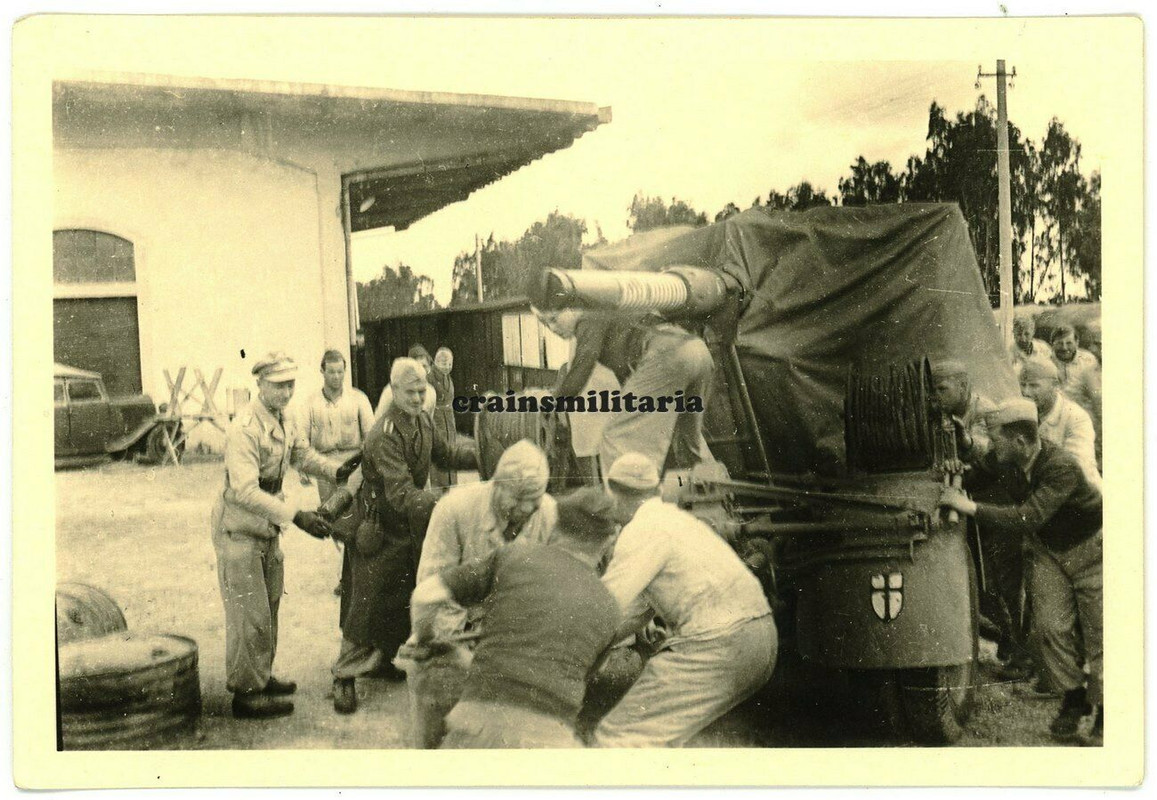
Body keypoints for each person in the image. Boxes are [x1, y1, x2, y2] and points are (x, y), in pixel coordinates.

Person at [940, 398, 1103, 744]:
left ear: (1020, 442)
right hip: (1050, 551)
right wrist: (959, 456)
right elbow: (976, 467)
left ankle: (1107, 712)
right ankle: (1074, 698)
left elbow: (1027, 517)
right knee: (1047, 629)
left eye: (996, 438)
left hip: (1091, 551)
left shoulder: (1061, 467)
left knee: (1099, 634)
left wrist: (967, 506)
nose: (992, 445)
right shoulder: (1009, 460)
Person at [409, 487, 622, 748]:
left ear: (555, 523)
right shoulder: (610, 607)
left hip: (477, 725)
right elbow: (574, 675)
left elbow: (425, 596)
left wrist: (429, 641)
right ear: (610, 540)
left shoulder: (513, 556)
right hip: (550, 741)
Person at [594, 452, 776, 747]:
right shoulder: (677, 520)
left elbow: (603, 609)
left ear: (613, 493)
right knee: (681, 738)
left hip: (719, 643)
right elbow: (635, 612)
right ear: (654, 490)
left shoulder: (640, 530)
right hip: (760, 639)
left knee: (618, 738)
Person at [210, 352, 357, 719]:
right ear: (259, 384)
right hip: (240, 527)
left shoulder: (284, 417)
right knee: (250, 612)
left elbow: (302, 455)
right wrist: (297, 516)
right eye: (277, 385)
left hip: (266, 526)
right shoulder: (244, 427)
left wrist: (338, 471)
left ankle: (261, 676)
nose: (286, 392)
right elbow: (244, 490)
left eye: (290, 384)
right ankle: (246, 695)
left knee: (269, 603)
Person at [331, 357, 475, 714]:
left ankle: (382, 662)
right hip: (379, 529)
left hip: (407, 527)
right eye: (410, 392)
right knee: (366, 603)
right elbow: (400, 494)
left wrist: (487, 455)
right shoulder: (384, 435)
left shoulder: (423, 420)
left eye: (422, 390)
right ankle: (343, 676)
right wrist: (445, 503)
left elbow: (448, 454)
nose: (417, 397)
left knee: (402, 598)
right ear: (394, 392)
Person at [538, 307, 714, 476]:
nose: (553, 328)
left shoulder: (588, 316)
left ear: (572, 307)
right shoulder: (611, 314)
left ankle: (633, 504)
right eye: (546, 324)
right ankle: (718, 495)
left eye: (554, 319)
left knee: (616, 440)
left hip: (667, 355)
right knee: (686, 441)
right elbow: (629, 378)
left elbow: (583, 362)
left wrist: (554, 402)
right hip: (696, 350)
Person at [416, 439, 558, 638]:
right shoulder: (454, 509)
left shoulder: (549, 513)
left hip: (516, 631)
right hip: (459, 631)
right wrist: (460, 650)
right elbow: (434, 592)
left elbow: (549, 590)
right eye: (517, 497)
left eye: (535, 499)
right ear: (496, 485)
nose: (526, 508)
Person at [302, 349, 374, 503]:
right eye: (332, 372)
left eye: (340, 372)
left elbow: (371, 437)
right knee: (330, 514)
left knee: (355, 513)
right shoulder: (310, 403)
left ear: (345, 371)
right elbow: (301, 441)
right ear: (322, 371)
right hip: (324, 466)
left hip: (353, 465)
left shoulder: (359, 399)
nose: (336, 377)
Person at [1019, 358, 1101, 491]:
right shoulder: (1023, 412)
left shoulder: (1075, 417)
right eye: (1022, 385)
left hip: (1080, 500)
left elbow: (1077, 470)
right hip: (1045, 493)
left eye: (1034, 385)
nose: (1026, 392)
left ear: (1054, 386)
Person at [930, 359, 995, 459]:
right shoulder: (940, 410)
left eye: (942, 389)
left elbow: (988, 449)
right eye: (933, 390)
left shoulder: (983, 409)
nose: (935, 395)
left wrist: (967, 441)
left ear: (962, 386)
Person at [1050, 324, 1102, 449]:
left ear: (1077, 342)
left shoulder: (1088, 361)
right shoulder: (1046, 362)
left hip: (1083, 419)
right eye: (1059, 343)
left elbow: (1097, 398)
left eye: (1069, 343)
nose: (1064, 348)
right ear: (1052, 343)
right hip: (1055, 422)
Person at [375, 344, 437, 420]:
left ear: (429, 368)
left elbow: (428, 422)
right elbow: (379, 418)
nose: (421, 370)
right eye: (417, 366)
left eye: (424, 366)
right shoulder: (392, 390)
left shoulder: (431, 392)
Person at [427, 347, 458, 489]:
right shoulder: (430, 378)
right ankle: (440, 491)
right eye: (444, 364)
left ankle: (451, 487)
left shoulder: (447, 377)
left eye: (450, 364)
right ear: (436, 362)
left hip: (449, 421)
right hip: (437, 420)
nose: (447, 367)